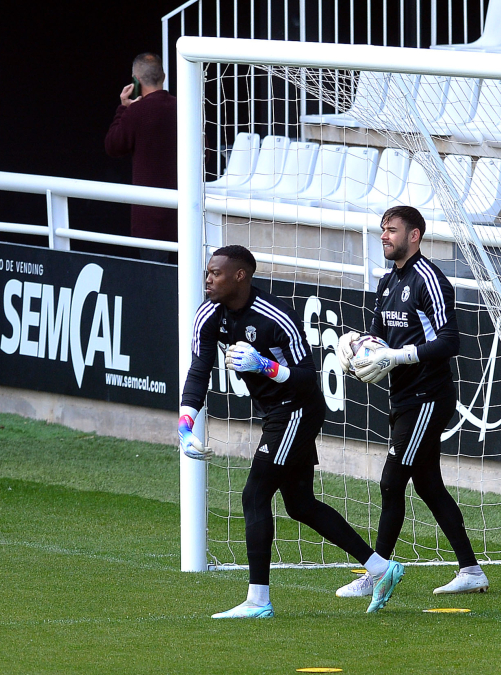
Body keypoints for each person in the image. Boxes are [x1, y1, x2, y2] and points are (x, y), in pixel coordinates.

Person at [179, 245, 405, 618]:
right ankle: (381, 567)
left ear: (240, 276)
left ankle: (258, 601)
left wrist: (265, 366)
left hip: (297, 408)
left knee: (254, 494)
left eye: (215, 273)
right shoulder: (208, 314)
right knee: (299, 504)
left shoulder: (276, 317)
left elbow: (307, 378)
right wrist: (185, 424)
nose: (207, 279)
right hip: (274, 411)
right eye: (207, 272)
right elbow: (198, 370)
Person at [336, 205, 489, 598]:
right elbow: (376, 340)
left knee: (391, 482)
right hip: (403, 395)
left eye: (391, 230)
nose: (384, 236)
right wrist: (356, 351)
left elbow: (450, 341)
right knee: (428, 485)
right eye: (383, 230)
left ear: (415, 235)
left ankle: (377, 572)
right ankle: (471, 571)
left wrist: (399, 356)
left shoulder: (429, 279)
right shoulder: (387, 282)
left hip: (427, 396)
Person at [104, 52, 177, 263]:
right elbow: (205, 154)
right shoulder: (184, 107)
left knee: (154, 284)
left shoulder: (136, 111)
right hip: (184, 218)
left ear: (135, 81)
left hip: (149, 221)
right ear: (163, 76)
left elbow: (112, 145)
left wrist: (123, 109)